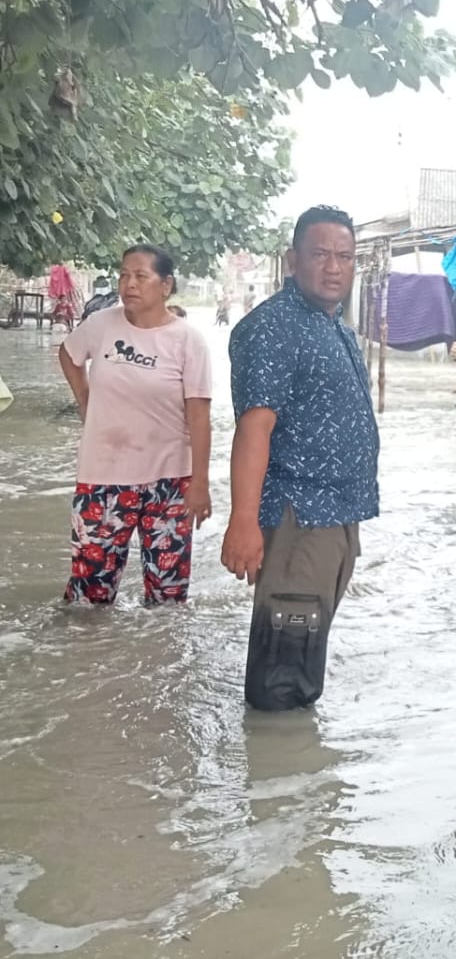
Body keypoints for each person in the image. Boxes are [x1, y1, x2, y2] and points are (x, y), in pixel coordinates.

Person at [222, 206, 379, 712]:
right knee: (284, 668)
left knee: (303, 648)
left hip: (335, 514)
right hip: (298, 514)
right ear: (293, 260)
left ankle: (297, 776)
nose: (334, 267)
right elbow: (254, 427)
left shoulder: (334, 325)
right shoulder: (274, 328)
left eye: (345, 257)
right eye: (320, 255)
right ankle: (277, 778)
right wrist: (243, 520)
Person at [57, 245, 213, 605]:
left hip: (170, 482)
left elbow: (199, 415)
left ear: (166, 285)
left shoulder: (188, 340)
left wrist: (200, 484)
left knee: (167, 598)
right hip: (102, 478)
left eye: (141, 276)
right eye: (124, 275)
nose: (129, 284)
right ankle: (89, 659)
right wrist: (87, 401)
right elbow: (69, 354)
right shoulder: (101, 324)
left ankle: (158, 660)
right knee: (88, 597)